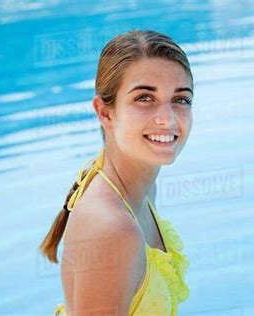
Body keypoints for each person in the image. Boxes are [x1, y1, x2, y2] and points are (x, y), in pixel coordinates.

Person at [39, 29, 194, 316]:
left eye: (181, 99)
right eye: (145, 98)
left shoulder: (141, 189)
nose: (168, 119)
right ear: (105, 112)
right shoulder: (112, 230)